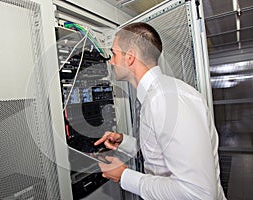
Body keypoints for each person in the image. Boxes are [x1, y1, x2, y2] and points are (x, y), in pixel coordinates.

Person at [94, 22, 226, 200]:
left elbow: (198, 193)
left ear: (130, 57)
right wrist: (124, 142)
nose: (111, 61)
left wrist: (125, 176)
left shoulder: (167, 100)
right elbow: (163, 155)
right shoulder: (157, 97)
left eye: (114, 54)